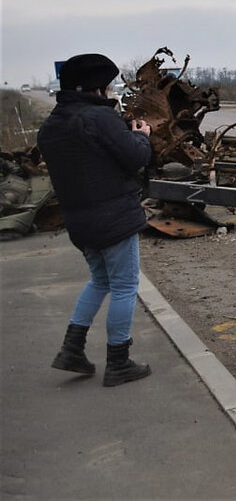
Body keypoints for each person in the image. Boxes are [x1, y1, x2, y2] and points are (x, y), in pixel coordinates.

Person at [37, 53, 154, 387]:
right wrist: (141, 135)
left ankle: (72, 348)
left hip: (79, 220)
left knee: (100, 280)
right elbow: (135, 158)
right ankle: (119, 361)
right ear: (98, 88)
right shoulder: (99, 118)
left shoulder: (51, 126)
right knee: (124, 286)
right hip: (113, 216)